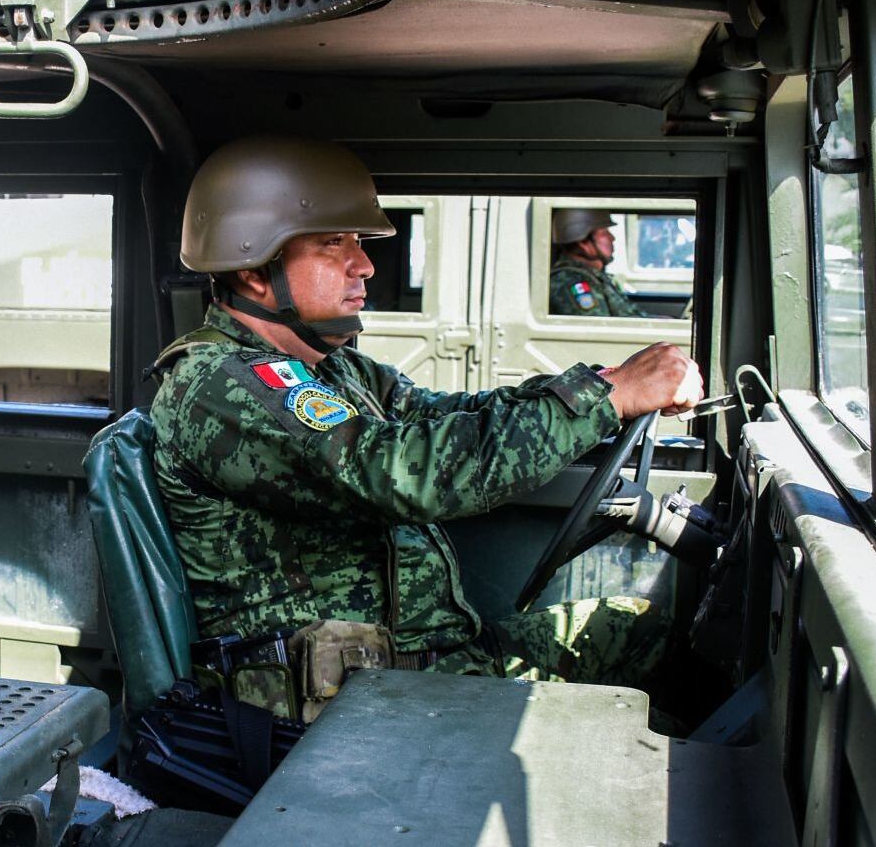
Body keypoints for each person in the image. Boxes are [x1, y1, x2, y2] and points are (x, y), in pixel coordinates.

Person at [149, 136, 701, 694]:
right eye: (333, 243)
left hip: (425, 662)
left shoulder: (332, 369)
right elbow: (399, 472)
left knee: (633, 627)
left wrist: (602, 387)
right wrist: (607, 402)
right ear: (254, 270)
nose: (364, 264)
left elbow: (453, 414)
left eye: (358, 242)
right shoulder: (223, 383)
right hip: (353, 705)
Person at [549, 208, 648, 317]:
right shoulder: (571, 282)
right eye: (604, 233)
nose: (612, 238)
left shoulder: (594, 277)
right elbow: (598, 330)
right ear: (583, 243)